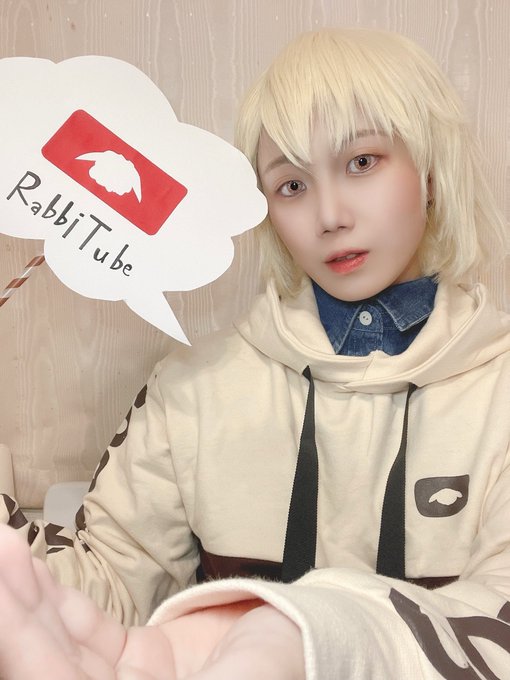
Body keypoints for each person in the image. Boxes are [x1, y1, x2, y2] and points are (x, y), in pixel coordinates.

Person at [1, 26, 509, 679]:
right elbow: (104, 596)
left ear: (431, 172)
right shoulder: (192, 389)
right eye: (291, 185)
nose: (330, 215)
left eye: (362, 163)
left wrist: (305, 637)